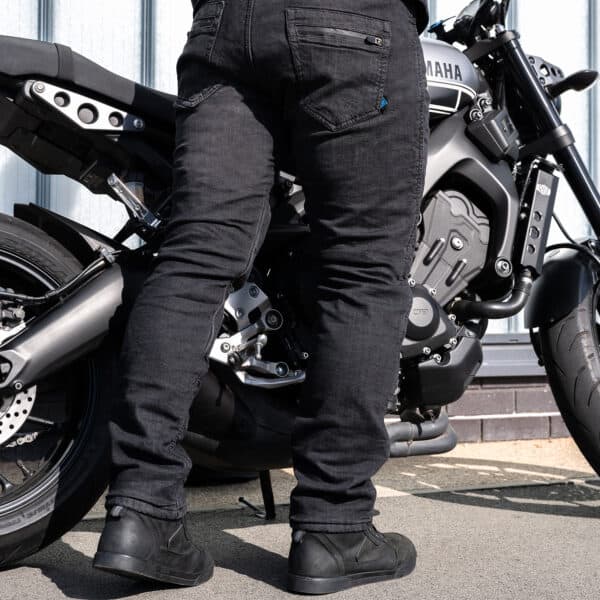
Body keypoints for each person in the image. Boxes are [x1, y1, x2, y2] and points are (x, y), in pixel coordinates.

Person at [92, 0, 429, 594]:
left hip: (227, 24)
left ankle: (141, 511)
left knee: (194, 259)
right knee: (362, 275)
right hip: (355, 25)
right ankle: (334, 527)